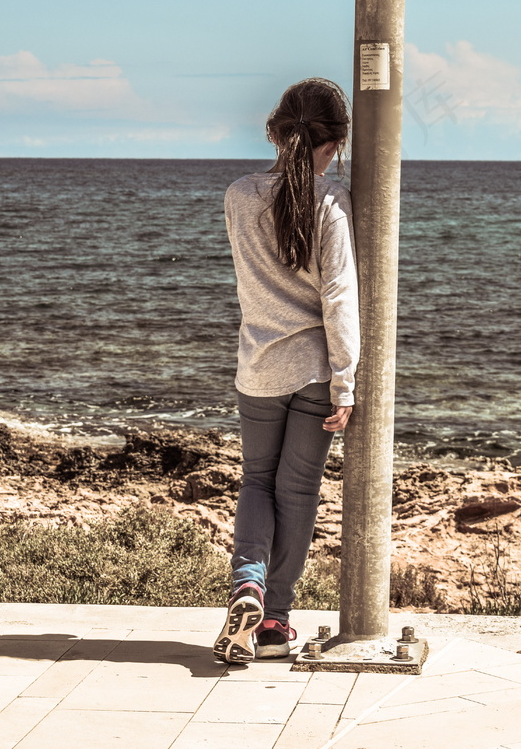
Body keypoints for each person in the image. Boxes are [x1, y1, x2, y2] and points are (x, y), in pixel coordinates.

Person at [213, 77, 360, 664]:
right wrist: (346, 381)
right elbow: (339, 295)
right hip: (315, 373)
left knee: (256, 480)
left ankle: (246, 583)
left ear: (275, 130)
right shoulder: (332, 202)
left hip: (259, 365)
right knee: (296, 492)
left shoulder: (238, 195)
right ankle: (274, 622)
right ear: (340, 142)